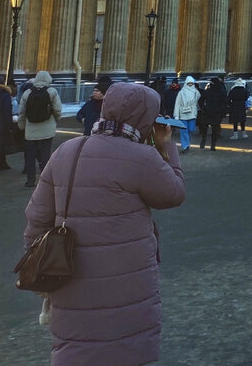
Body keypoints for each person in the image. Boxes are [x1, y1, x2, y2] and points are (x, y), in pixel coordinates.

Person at [24, 81, 185, 364]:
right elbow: (173, 194)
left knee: (77, 345)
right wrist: (167, 146)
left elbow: (38, 216)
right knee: (126, 344)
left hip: (69, 270)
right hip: (128, 275)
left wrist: (37, 261)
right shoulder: (142, 157)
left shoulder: (68, 150)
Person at [18, 70, 64, 189]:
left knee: (30, 155)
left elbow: (21, 111)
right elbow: (57, 109)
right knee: (45, 154)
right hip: (47, 127)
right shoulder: (52, 91)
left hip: (31, 128)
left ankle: (30, 180)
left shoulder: (27, 92)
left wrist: (22, 125)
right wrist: (56, 119)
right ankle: (45, 180)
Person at [197, 77, 228, 151]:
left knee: (215, 130)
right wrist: (204, 109)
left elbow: (224, 103)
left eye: (212, 83)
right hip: (207, 112)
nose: (211, 84)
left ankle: (213, 144)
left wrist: (219, 110)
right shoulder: (207, 91)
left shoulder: (221, 92)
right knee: (204, 129)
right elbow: (200, 101)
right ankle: (203, 140)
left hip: (216, 113)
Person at [174, 76, 200, 151]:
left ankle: (187, 142)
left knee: (191, 129)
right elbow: (177, 104)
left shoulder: (196, 92)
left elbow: (198, 98)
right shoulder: (181, 93)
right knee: (183, 130)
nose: (190, 85)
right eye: (189, 83)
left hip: (192, 114)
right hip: (183, 114)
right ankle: (185, 145)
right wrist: (176, 115)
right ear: (186, 83)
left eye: (192, 83)